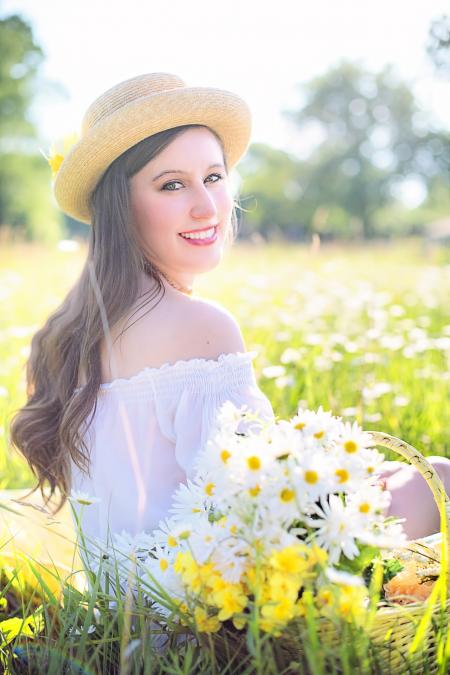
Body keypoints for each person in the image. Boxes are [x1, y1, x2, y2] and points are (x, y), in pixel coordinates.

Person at [8, 72, 450, 558]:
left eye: (214, 177)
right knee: (440, 476)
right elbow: (259, 516)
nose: (206, 206)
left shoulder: (70, 329)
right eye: (171, 184)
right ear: (121, 207)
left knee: (397, 477)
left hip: (125, 607)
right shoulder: (201, 326)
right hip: (206, 609)